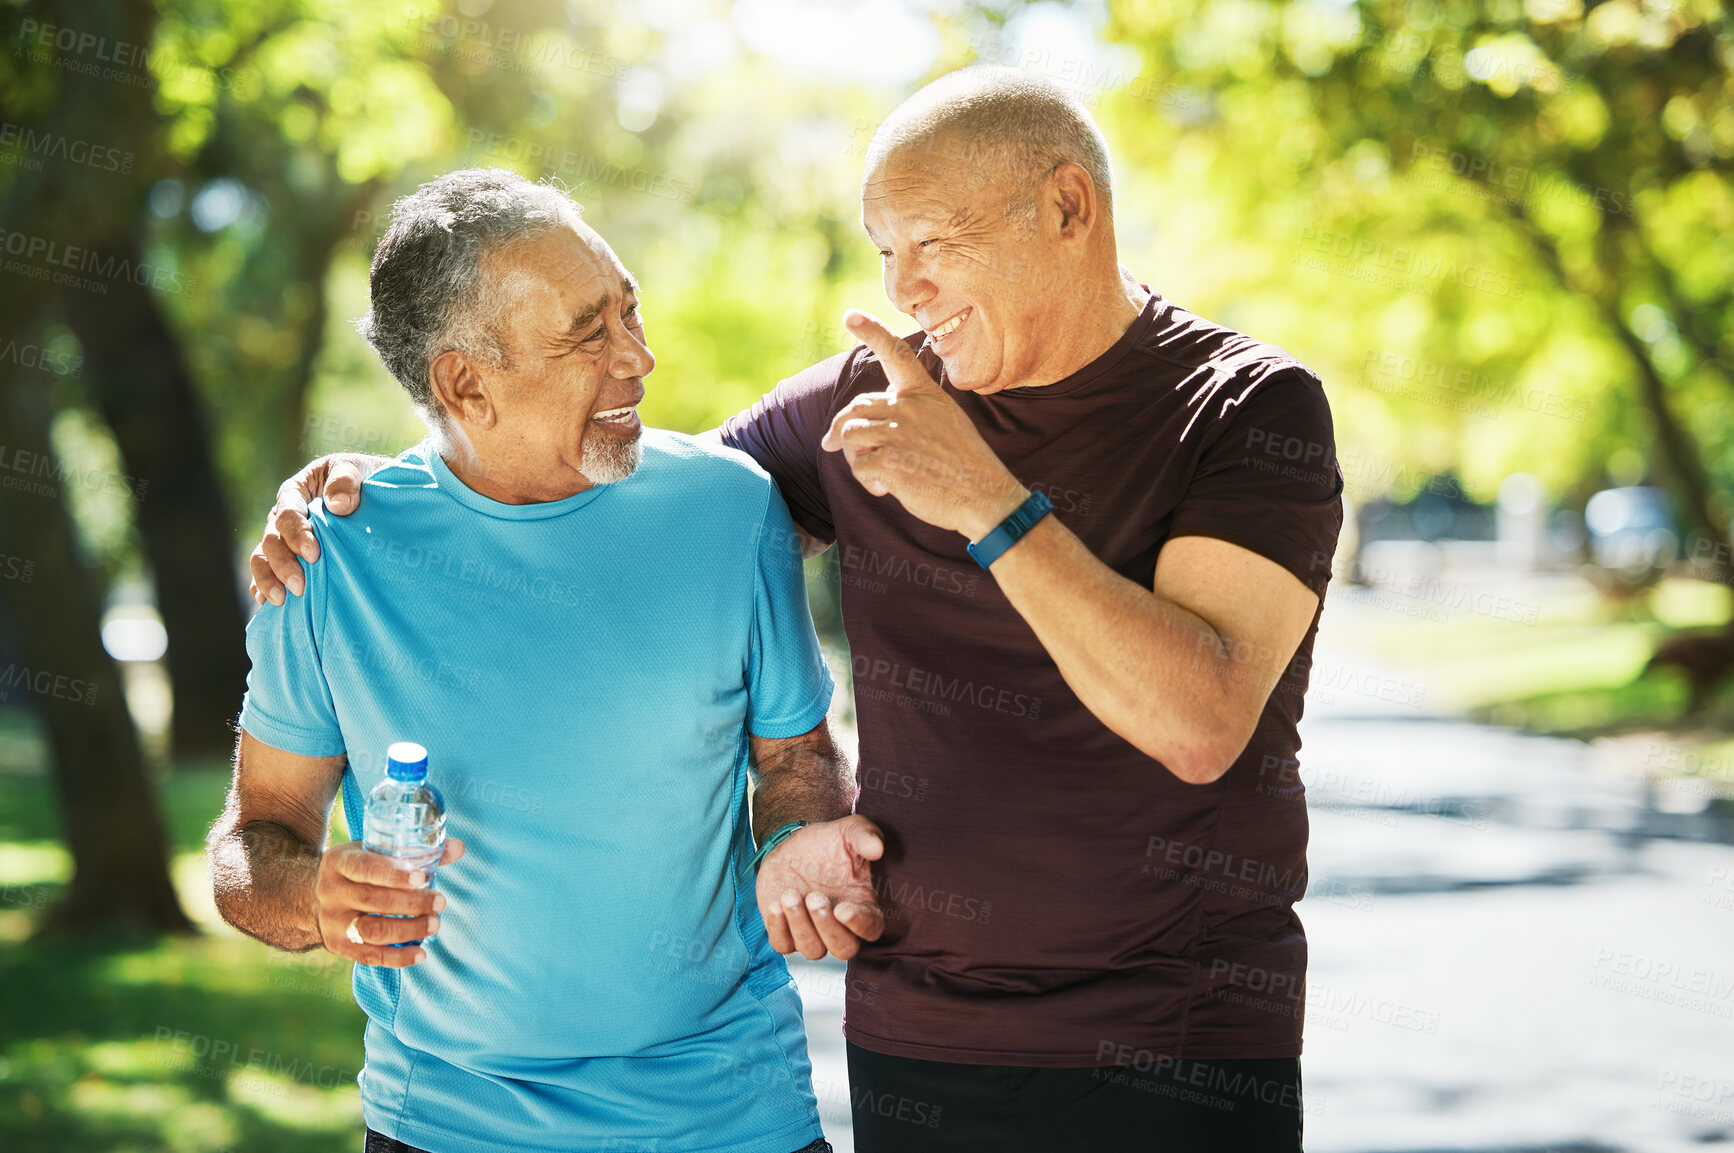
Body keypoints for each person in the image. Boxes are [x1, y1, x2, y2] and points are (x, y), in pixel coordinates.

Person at [251, 67, 1342, 1151]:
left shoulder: (1245, 406)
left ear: (1068, 207)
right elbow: (622, 505)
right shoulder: (859, 405)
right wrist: (385, 486)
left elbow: (1199, 720)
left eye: (934, 241)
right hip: (924, 1036)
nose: (905, 290)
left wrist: (988, 505)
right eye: (885, 251)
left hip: (1181, 1033)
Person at [208, 168, 866, 1153]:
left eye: (629, 311)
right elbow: (255, 832)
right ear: (464, 382)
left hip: (730, 1114)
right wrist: (309, 896)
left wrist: (797, 851)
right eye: (587, 334)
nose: (639, 357)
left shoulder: (729, 509)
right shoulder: (328, 554)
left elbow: (796, 759)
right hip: (446, 1126)